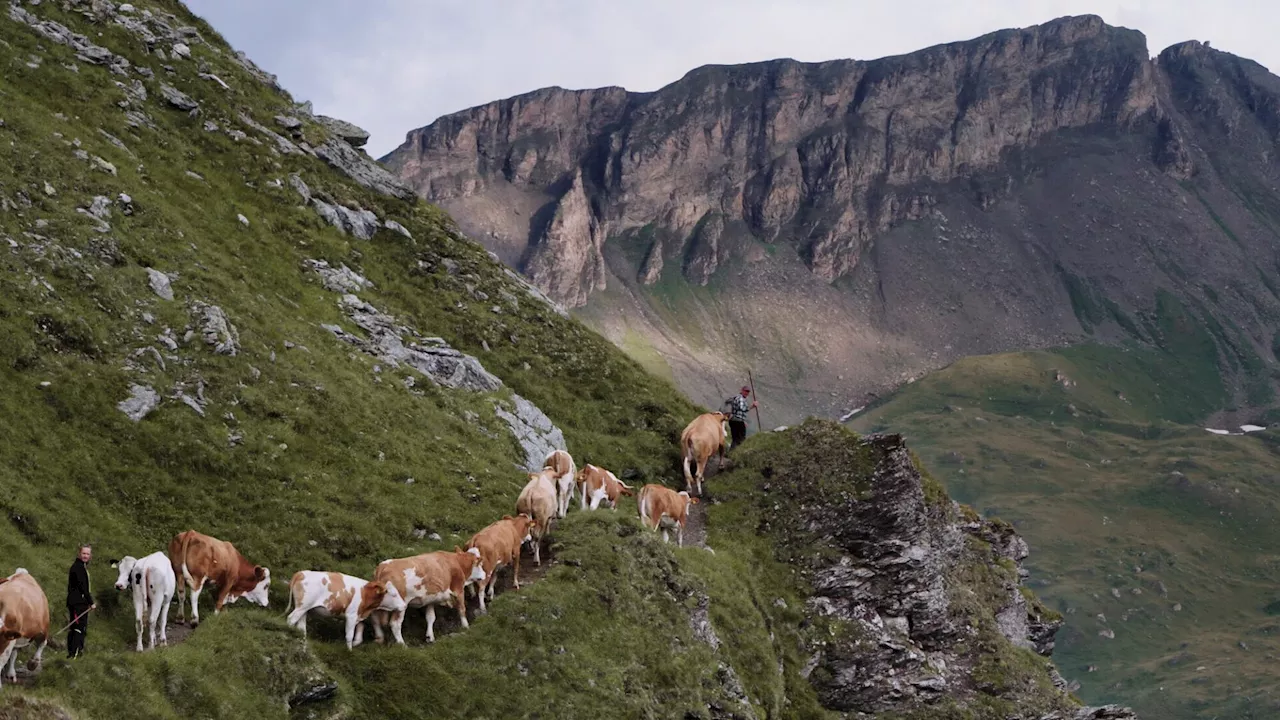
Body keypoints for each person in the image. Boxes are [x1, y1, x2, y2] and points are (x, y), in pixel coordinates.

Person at [65, 544, 95, 659]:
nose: (85, 556)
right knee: (78, 627)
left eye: (88, 554)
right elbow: (83, 587)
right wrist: (91, 602)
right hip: (77, 603)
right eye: (84, 553)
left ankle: (76, 652)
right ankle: (74, 653)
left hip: (81, 603)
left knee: (78, 627)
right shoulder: (78, 568)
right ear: (79, 554)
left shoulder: (82, 567)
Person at [723, 385, 757, 452]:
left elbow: (738, 411)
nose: (747, 393)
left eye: (748, 391)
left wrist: (743, 421)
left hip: (733, 420)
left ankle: (731, 452)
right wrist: (752, 406)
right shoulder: (741, 399)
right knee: (741, 438)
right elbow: (742, 408)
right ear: (742, 390)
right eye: (746, 391)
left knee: (735, 438)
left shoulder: (736, 397)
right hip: (738, 421)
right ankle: (739, 452)